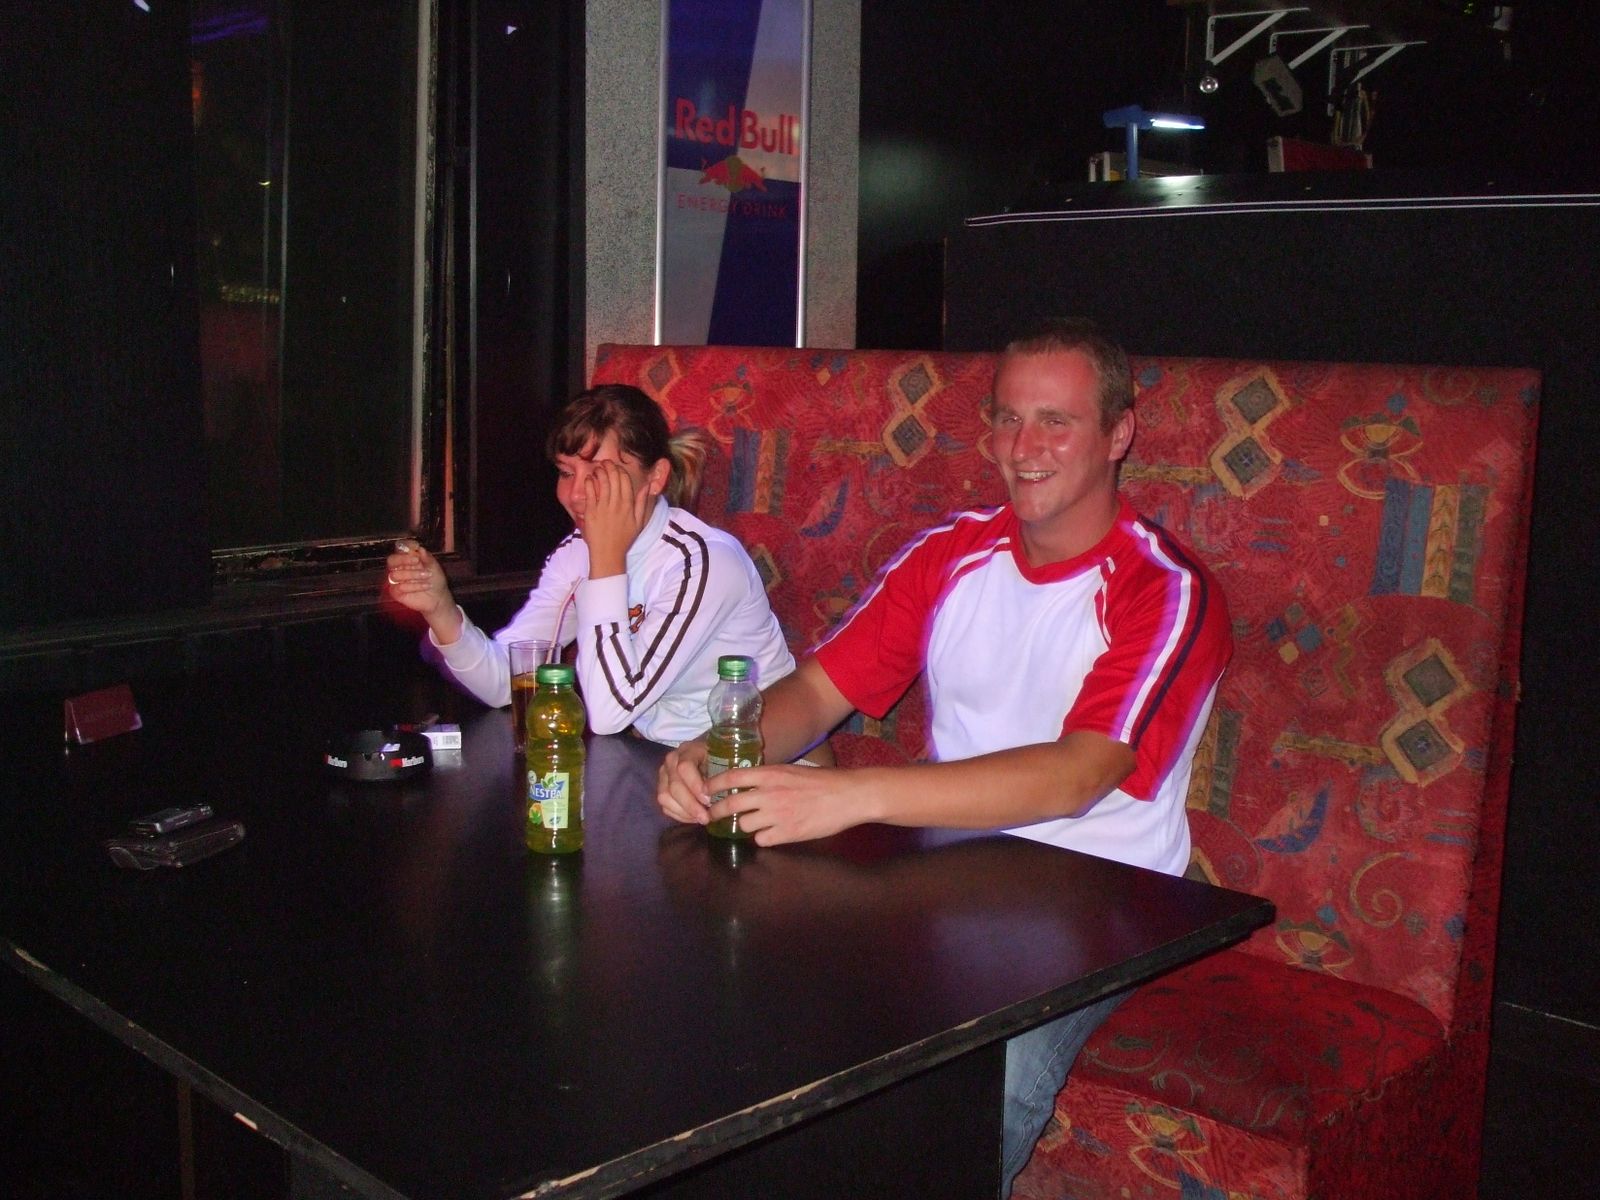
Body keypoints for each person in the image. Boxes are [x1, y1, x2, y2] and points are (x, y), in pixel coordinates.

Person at [655, 319, 1232, 1195]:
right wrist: (713, 747)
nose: (1023, 449)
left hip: (1105, 894)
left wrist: (856, 797)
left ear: (1119, 434)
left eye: (1056, 422)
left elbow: (1078, 774)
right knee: (747, 979)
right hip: (947, 868)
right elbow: (817, 692)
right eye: (1007, 419)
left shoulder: (1165, 589)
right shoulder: (951, 552)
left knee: (979, 1090)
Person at [385, 383, 796, 746]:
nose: (576, 495)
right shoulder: (577, 553)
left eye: (599, 473)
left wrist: (606, 559)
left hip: (753, 763)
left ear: (655, 478)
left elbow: (609, 714)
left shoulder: (703, 562)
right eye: (566, 473)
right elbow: (506, 682)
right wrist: (441, 610)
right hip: (659, 761)